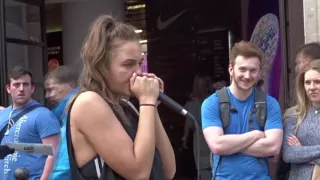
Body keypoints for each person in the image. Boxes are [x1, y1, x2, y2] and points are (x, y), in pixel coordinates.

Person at [66, 15, 176, 179]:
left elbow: (168, 170)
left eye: (139, 63)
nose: (138, 72)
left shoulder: (126, 105)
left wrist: (152, 105)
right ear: (101, 65)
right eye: (128, 64)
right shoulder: (88, 102)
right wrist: (146, 102)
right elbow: (138, 173)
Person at [201, 41, 283, 180]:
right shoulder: (212, 103)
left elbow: (273, 148)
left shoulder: (270, 104)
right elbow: (217, 146)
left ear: (259, 72)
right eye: (242, 69)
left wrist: (230, 145)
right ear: (231, 69)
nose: (247, 75)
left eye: (253, 70)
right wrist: (255, 135)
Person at [0, 66, 60, 180]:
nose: (21, 89)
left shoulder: (43, 115)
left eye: (25, 84)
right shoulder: (2, 114)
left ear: (32, 88)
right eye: (16, 84)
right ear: (8, 88)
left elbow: (54, 153)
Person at [282, 59, 320, 180]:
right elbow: (289, 154)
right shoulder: (293, 115)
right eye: (307, 82)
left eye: (317, 82)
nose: (312, 87)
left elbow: (297, 153)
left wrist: (302, 151)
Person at [44, 66, 79, 180]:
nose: (47, 96)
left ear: (71, 86)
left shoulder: (72, 110)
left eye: (51, 89)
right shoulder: (67, 111)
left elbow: (64, 163)